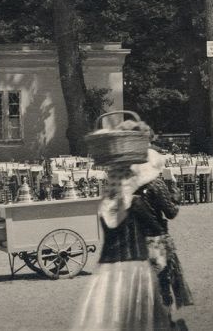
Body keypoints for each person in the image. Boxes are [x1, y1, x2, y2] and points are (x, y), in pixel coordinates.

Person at [73, 121, 173, 331]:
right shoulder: (134, 203)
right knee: (138, 318)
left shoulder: (105, 205)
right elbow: (155, 226)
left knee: (109, 317)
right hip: (134, 264)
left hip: (108, 268)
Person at [131, 151, 193, 323]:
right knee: (162, 283)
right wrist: (176, 195)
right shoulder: (156, 184)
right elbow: (171, 212)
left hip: (135, 241)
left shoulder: (130, 185)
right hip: (156, 239)